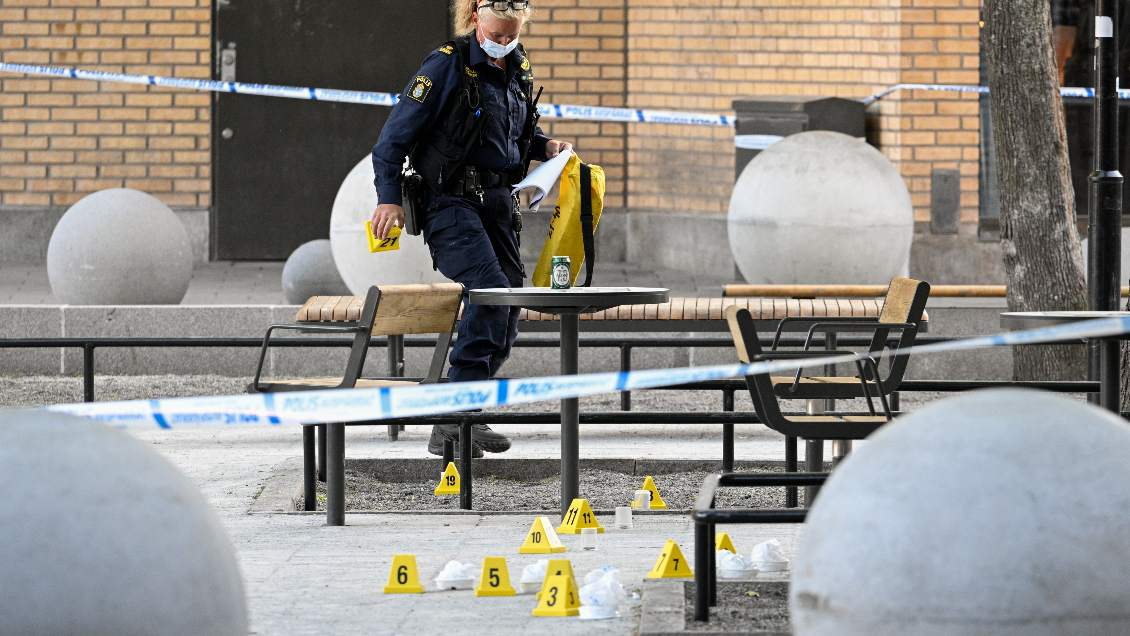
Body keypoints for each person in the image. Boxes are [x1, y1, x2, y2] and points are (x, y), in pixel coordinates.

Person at [370, 0, 572, 458]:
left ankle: (456, 413)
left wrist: (546, 147)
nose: (503, 43)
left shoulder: (517, 67)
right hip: (449, 202)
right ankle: (459, 411)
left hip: (498, 203)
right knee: (489, 290)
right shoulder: (446, 65)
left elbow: (513, 134)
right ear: (475, 18)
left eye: (512, 35)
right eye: (496, 34)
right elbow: (391, 141)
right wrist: (388, 198)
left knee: (510, 301)